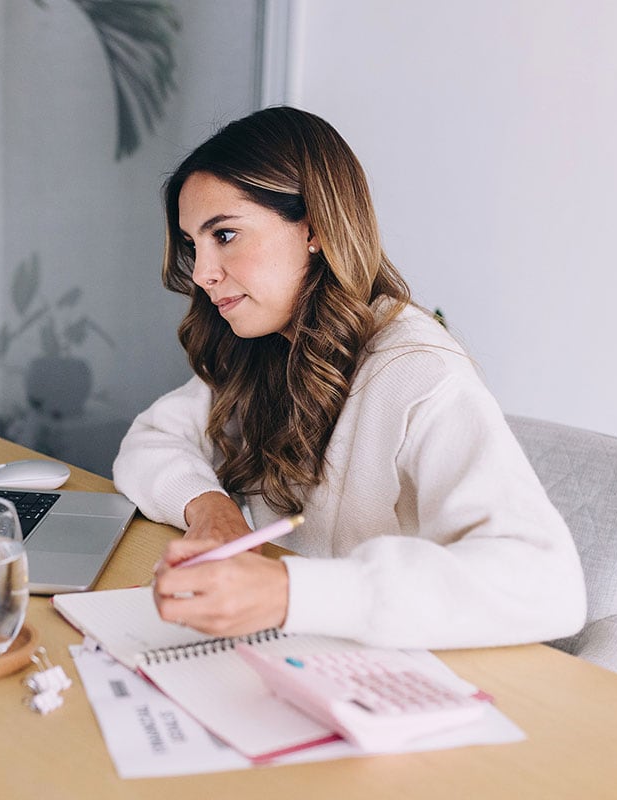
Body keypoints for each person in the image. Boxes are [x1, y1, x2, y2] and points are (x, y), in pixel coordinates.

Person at [112, 106, 586, 650]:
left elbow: (548, 583)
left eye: (225, 235)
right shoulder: (263, 348)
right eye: (194, 245)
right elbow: (151, 441)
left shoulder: (419, 374)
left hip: (400, 674)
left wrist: (287, 592)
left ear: (313, 228)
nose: (201, 274)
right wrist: (212, 511)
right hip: (288, 653)